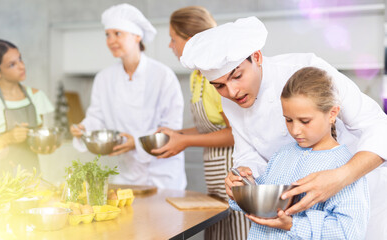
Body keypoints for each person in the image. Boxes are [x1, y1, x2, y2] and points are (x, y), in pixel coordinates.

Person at [180, 17, 387, 239]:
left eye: (237, 76)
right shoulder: (279, 153)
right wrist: (241, 178)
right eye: (219, 86)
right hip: (288, 215)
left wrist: (341, 176)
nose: (232, 92)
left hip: (356, 193)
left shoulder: (308, 70)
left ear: (257, 57)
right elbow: (249, 154)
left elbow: (377, 125)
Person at [229, 66, 369, 239]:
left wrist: (292, 225)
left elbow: (348, 232)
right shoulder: (283, 154)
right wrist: (241, 189)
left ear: (332, 114)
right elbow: (264, 200)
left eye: (305, 121)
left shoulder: (344, 167)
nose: (295, 130)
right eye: (288, 120)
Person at [153, 6, 248, 239]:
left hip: (234, 177)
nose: (170, 45)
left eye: (173, 39)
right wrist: (177, 134)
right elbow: (210, 126)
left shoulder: (218, 77)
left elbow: (236, 132)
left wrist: (185, 142)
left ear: (191, 40)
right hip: (216, 184)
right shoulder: (198, 76)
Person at [70, 3, 186, 190]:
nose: (111, 40)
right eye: (107, 34)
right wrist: (84, 128)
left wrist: (137, 143)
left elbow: (171, 128)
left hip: (163, 173)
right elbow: (97, 117)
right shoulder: (104, 78)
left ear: (137, 36)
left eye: (118, 33)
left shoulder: (163, 75)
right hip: (126, 174)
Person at [0, 39, 54, 191]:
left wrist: (46, 146)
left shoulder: (36, 96)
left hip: (31, 180)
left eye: (20, 59)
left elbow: (38, 143)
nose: (21, 66)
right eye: (12, 64)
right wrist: (8, 138)